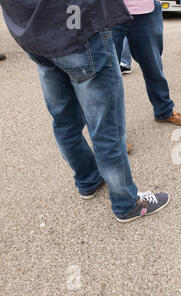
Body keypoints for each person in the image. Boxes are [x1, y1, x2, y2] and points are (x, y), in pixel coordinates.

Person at [0, 0, 170, 223]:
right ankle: (126, 203)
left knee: (64, 121)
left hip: (34, 35)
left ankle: (88, 181)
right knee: (106, 126)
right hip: (78, 31)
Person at [113, 0, 181, 126]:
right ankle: (113, 130)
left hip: (146, 10)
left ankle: (164, 111)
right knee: (108, 74)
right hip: (110, 11)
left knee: (153, 66)